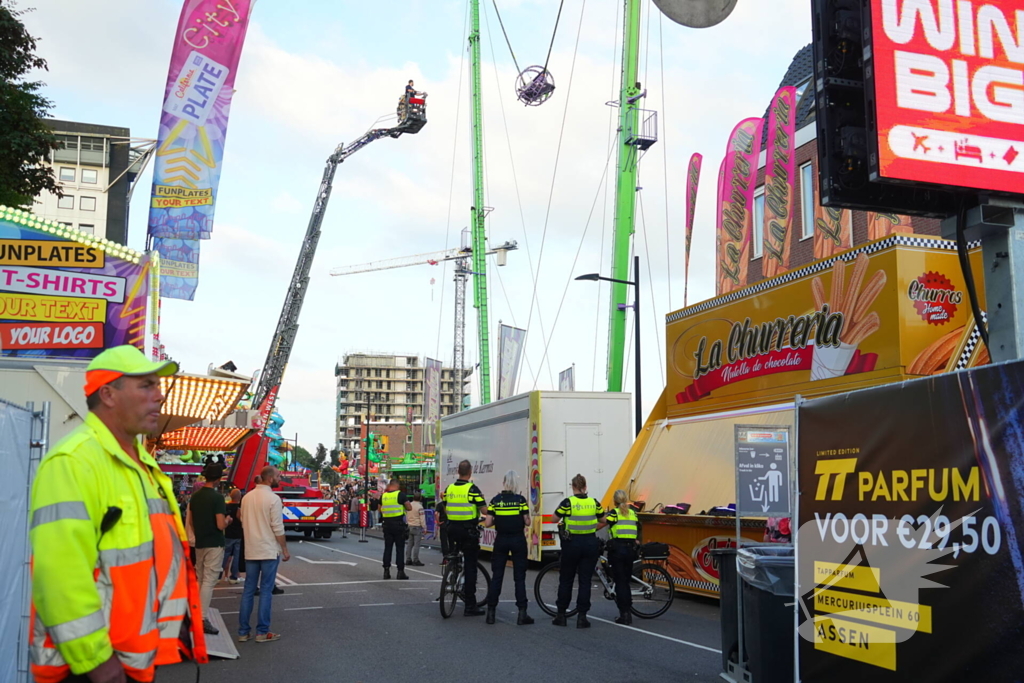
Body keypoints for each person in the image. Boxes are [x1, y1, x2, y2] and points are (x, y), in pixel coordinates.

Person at [28, 345, 207, 682]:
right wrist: (98, 664)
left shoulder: (142, 463)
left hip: (137, 661)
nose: (160, 396)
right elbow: (59, 580)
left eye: (158, 385)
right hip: (92, 670)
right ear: (108, 395)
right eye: (146, 386)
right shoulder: (73, 463)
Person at [238, 465, 291, 643]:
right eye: (278, 475)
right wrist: (284, 548)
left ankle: (243, 632)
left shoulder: (246, 497)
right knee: (266, 591)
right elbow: (277, 527)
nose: (280, 477)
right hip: (268, 549)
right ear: (270, 479)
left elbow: (242, 520)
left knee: (248, 590)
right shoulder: (274, 499)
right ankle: (262, 632)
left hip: (251, 549)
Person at [551, 473, 605, 628]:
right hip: (589, 544)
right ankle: (582, 617)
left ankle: (561, 615)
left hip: (571, 545)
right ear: (585, 487)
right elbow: (603, 520)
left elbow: (554, 519)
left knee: (566, 579)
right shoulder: (594, 503)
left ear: (573, 487)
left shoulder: (568, 503)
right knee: (585, 581)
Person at [483, 470, 534, 626]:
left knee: (497, 576)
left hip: (501, 540)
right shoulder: (520, 500)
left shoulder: (496, 500)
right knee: (519, 578)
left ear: (504, 482)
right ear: (515, 484)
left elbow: (488, 523)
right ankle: (522, 613)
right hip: (518, 539)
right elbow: (527, 522)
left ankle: (491, 612)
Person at [187, 464, 232, 635]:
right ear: (218, 479)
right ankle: (201, 618)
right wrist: (228, 520)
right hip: (214, 542)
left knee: (200, 578)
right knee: (209, 580)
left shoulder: (195, 497)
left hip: (200, 542)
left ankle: (195, 613)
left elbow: (191, 522)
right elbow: (220, 524)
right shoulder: (217, 498)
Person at [443, 460, 488, 616]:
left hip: (451, 529)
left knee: (454, 554)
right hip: (468, 530)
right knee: (471, 565)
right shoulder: (472, 489)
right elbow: (484, 509)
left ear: (458, 471)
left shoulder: (449, 488)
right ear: (470, 473)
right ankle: (470, 604)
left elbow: (445, 504)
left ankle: (452, 574)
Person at [599, 489, 639, 625]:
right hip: (630, 550)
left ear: (614, 501)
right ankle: (628, 610)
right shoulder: (633, 513)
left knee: (620, 582)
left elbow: (601, 524)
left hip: (618, 550)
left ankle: (625, 614)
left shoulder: (614, 514)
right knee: (625, 582)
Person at [380, 479, 411, 580]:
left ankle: (386, 571)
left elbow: (380, 509)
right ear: (397, 485)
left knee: (388, 548)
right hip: (398, 525)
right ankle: (400, 571)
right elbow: (409, 507)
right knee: (399, 549)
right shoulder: (400, 495)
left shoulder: (383, 496)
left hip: (387, 525)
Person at [223, 488, 243, 584]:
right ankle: (234, 576)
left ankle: (218, 575)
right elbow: (241, 520)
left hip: (228, 533)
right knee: (236, 556)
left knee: (225, 555)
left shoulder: (226, 506)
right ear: (239, 497)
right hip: (238, 534)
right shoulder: (240, 507)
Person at [405, 492, 426, 566]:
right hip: (417, 526)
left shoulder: (409, 505)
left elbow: (407, 515)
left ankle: (408, 559)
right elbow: (422, 518)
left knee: (410, 544)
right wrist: (424, 527)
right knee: (417, 544)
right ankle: (415, 560)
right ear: (420, 498)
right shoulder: (420, 507)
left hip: (410, 526)